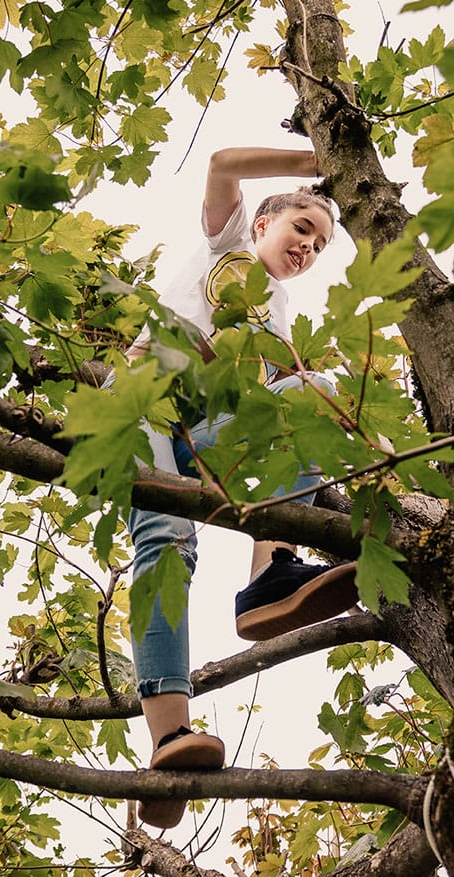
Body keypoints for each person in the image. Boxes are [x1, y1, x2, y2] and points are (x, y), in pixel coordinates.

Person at [125, 146, 358, 829]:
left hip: (210, 435)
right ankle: (169, 737)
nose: (308, 247)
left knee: (317, 392)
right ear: (262, 225)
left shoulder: (280, 316)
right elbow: (224, 161)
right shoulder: (225, 242)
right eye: (302, 228)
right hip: (147, 405)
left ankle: (270, 577)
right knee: (167, 540)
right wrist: (321, 155)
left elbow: (282, 413)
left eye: (318, 244)